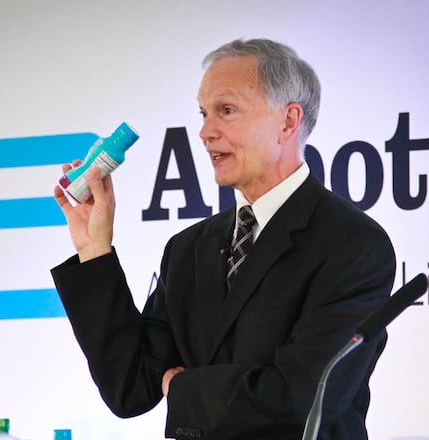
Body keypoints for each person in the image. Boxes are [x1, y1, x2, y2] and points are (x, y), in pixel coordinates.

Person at [50, 38, 396, 440]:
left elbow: (301, 398)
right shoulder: (188, 248)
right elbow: (130, 388)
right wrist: (94, 250)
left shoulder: (353, 244)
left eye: (226, 111)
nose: (204, 132)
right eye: (203, 113)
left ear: (287, 122)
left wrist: (181, 387)